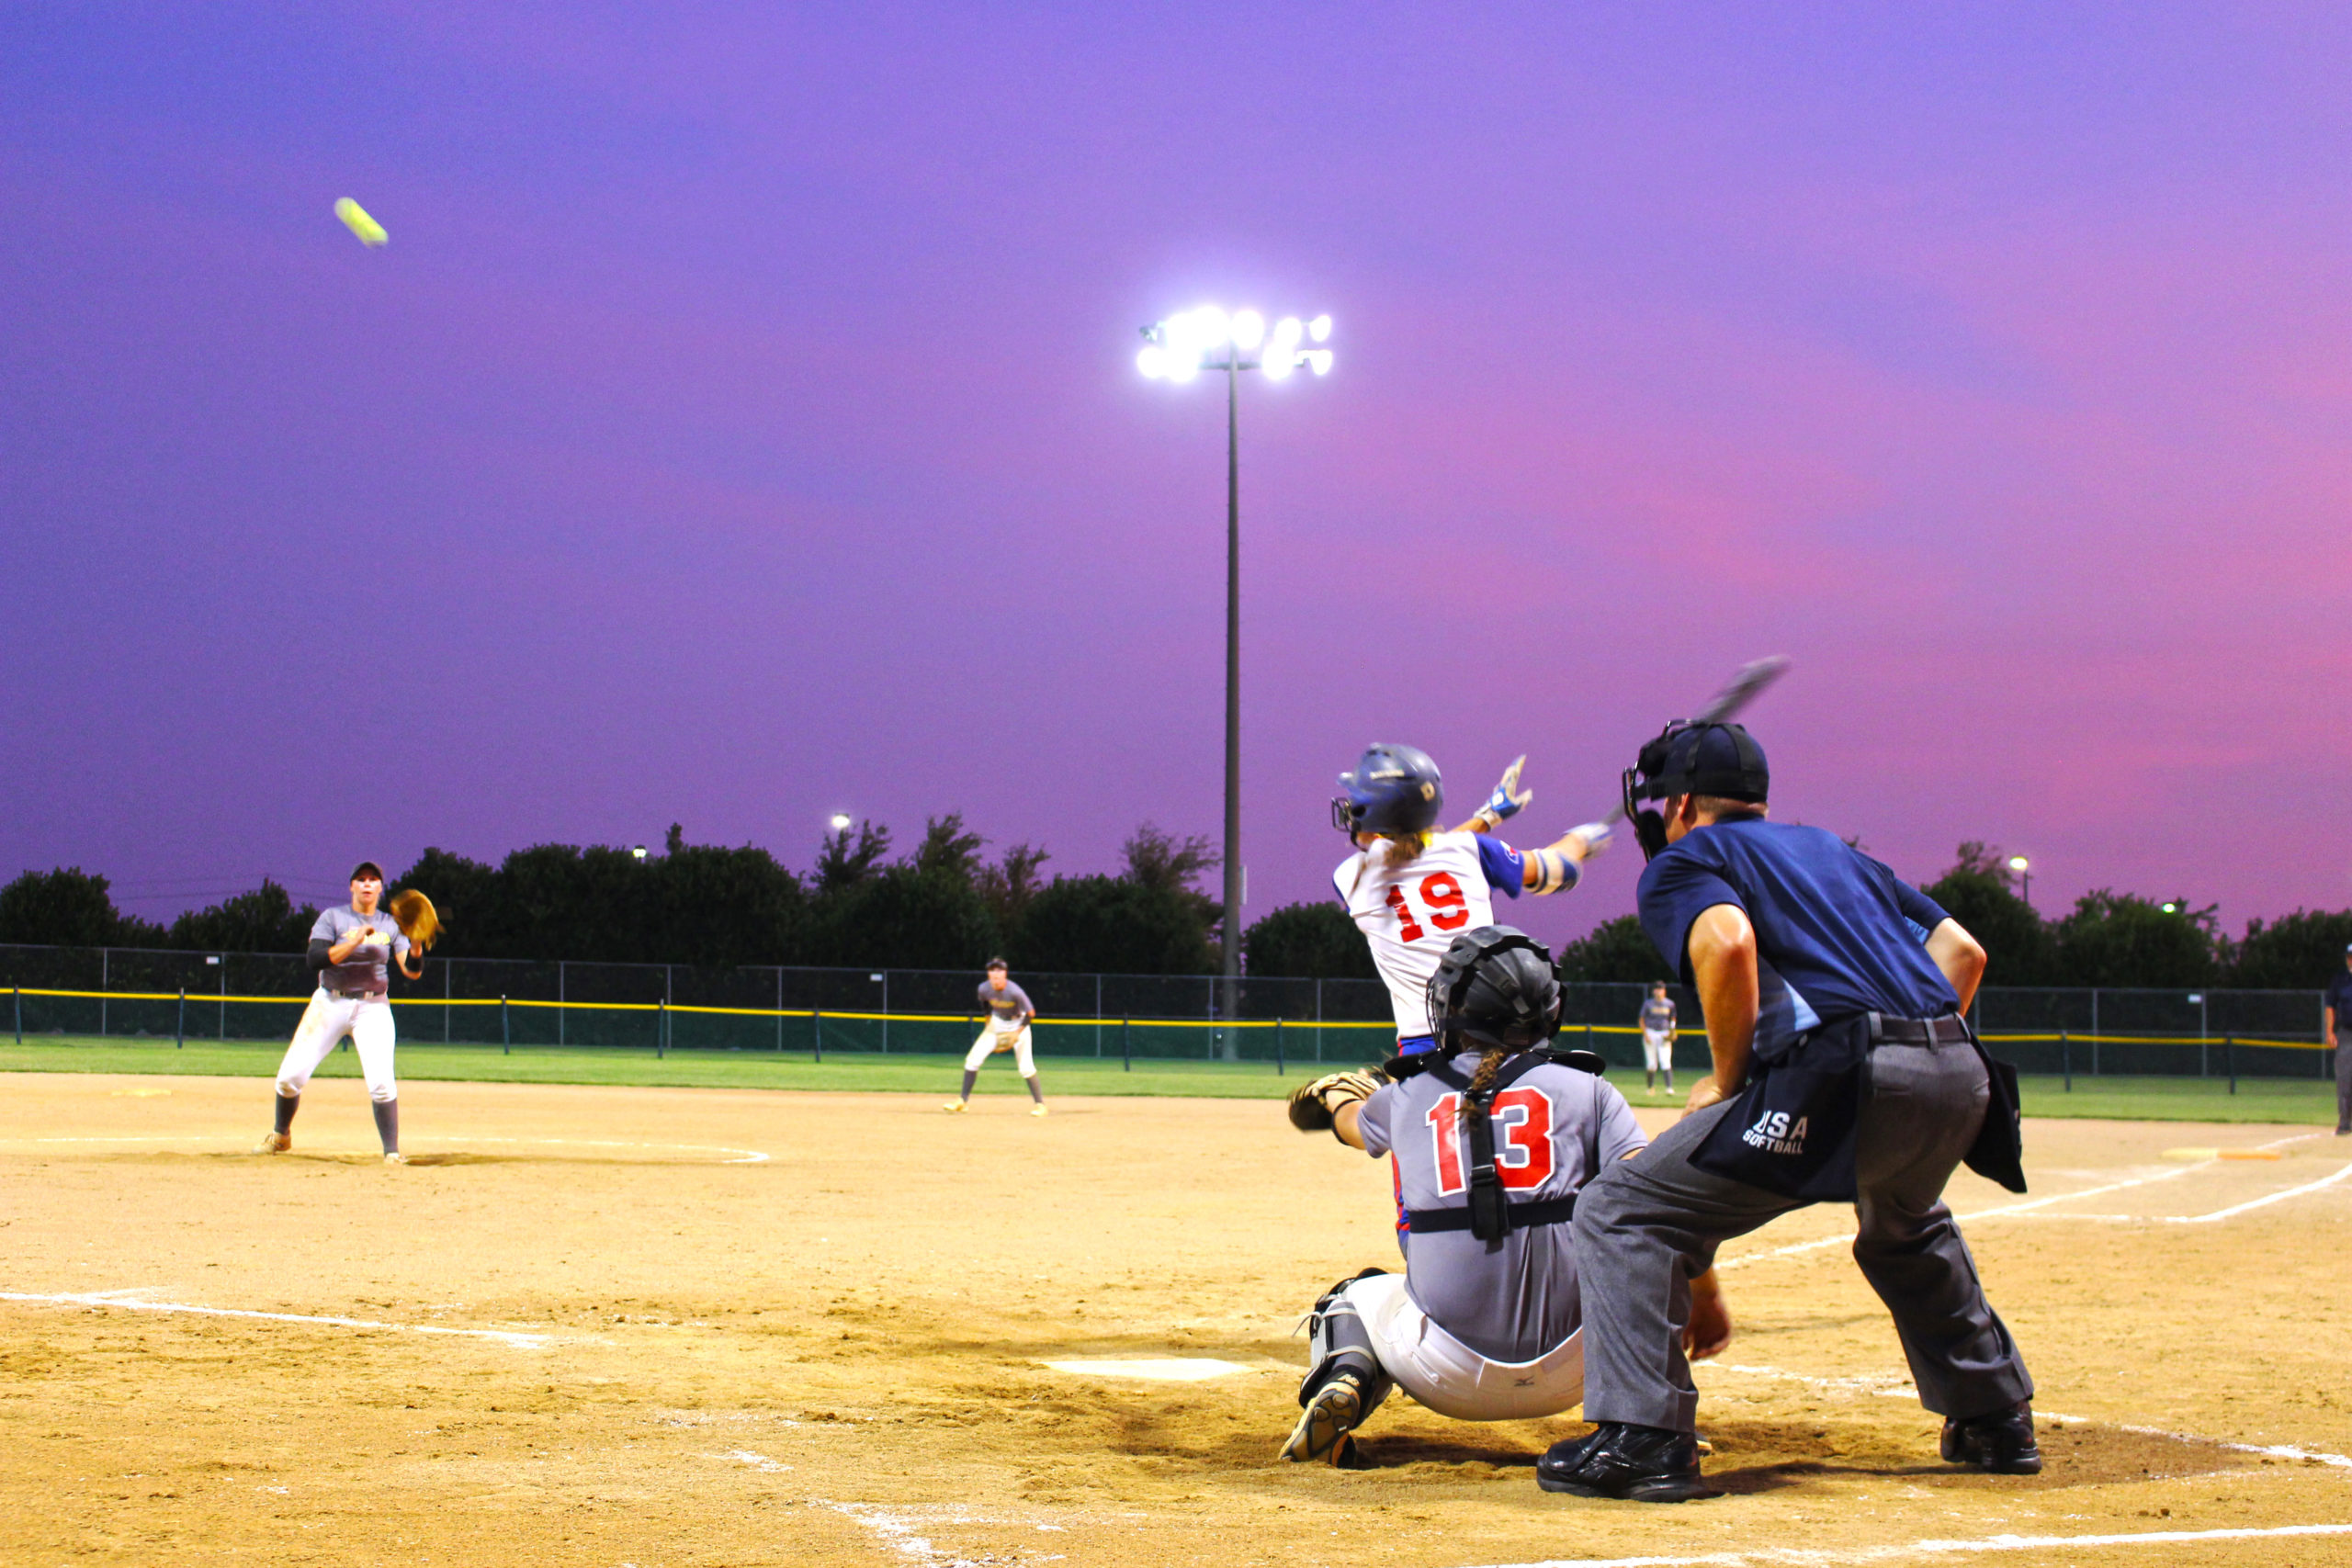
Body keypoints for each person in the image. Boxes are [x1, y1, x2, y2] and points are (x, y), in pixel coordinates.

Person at [1543, 723, 2034, 1503]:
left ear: (1677, 805)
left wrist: (1732, 1077)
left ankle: (1645, 1438)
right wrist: (1914, 1052)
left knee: (1621, 1208)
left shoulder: (1690, 859)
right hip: (1961, 1067)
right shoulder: (1838, 852)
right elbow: (1963, 953)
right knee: (1905, 1224)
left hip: (1843, 1070)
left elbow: (1729, 942)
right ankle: (1995, 1420)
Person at [1277, 926, 1731, 1468]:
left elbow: (1353, 1124)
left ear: (1450, 1009)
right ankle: (1655, 1422)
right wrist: (1705, 1299)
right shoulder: (1590, 1090)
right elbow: (1659, 1210)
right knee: (1640, 1263)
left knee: (1356, 1294)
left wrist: (1337, 1097)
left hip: (1443, 1374)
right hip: (1584, 1370)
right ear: (1549, 1011)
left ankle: (1345, 1377)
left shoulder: (1407, 1094)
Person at [1330, 745, 1612, 1061]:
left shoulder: (1350, 878)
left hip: (1424, 1051)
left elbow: (1420, 854)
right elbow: (1557, 870)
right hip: (1496, 1039)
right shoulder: (1472, 850)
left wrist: (1486, 818)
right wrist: (1581, 842)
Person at [253, 862, 421, 1165]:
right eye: (361, 879)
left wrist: (418, 948)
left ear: (381, 888)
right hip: (330, 1003)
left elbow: (410, 970)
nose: (367, 884)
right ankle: (281, 1135)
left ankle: (392, 1153)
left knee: (382, 1084)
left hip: (373, 1007)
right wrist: (354, 941)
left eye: (373, 880)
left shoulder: (390, 925)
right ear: (352, 887)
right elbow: (315, 959)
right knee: (289, 1078)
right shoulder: (333, 918)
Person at [945, 959, 1046, 1116]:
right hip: (997, 1022)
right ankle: (962, 1102)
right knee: (972, 1060)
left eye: (999, 971)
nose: (995, 974)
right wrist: (987, 1021)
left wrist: (1017, 1033)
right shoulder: (983, 988)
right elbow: (985, 1003)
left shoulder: (1015, 992)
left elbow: (1031, 1014)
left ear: (1005, 974)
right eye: (992, 970)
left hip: (1019, 1023)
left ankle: (1040, 1105)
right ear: (988, 974)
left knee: (1026, 1067)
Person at [2325, 942, 2352, 1136]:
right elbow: (2330, 1006)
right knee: (2344, 1079)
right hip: (2346, 1033)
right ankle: (2344, 1122)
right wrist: (2329, 1031)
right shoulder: (2340, 980)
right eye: (2350, 956)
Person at [1639, 981, 1678, 1095]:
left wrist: (1672, 1030)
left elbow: (1673, 1018)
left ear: (1664, 991)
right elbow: (1641, 1019)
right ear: (1653, 991)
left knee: (1665, 1061)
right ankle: (1650, 1088)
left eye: (1661, 989)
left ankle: (1669, 1088)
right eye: (1657, 989)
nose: (1659, 991)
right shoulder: (1648, 1004)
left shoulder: (1670, 1004)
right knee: (1651, 1063)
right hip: (1650, 1032)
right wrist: (1645, 1034)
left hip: (1664, 1034)